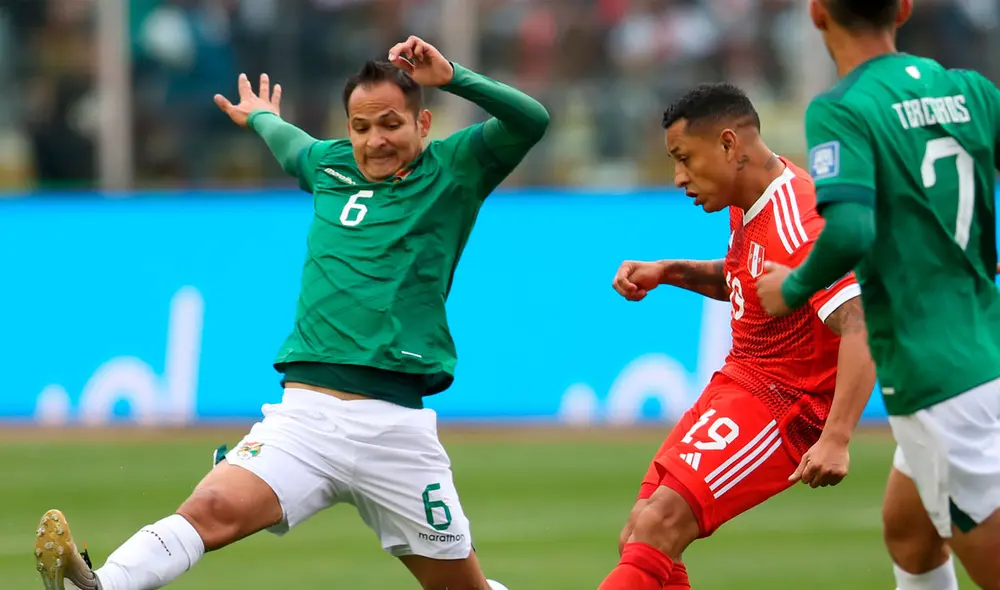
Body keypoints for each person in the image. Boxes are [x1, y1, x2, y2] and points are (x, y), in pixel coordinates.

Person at [33, 35, 547, 590]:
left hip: (395, 430)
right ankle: (100, 584)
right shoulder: (329, 165)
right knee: (211, 509)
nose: (375, 140)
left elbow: (531, 120)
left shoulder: (454, 168)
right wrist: (261, 117)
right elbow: (289, 143)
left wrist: (454, 78)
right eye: (360, 127)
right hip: (305, 419)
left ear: (423, 124)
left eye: (391, 124)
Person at [755, 1, 1000, 588]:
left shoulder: (843, 108)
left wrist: (794, 286)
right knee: (909, 534)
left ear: (817, 14)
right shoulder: (970, 88)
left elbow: (850, 230)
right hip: (983, 348)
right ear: (904, 9)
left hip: (936, 380)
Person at [600, 83, 877, 590]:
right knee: (640, 531)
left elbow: (860, 324)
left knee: (659, 524)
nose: (679, 177)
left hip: (783, 402)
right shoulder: (747, 200)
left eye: (685, 159)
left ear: (729, 144)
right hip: (740, 381)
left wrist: (836, 439)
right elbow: (744, 278)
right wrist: (669, 271)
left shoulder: (801, 219)